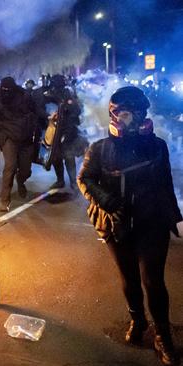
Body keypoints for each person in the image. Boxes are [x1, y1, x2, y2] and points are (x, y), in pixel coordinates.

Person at [78, 86, 182, 366]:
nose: (133, 119)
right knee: (129, 280)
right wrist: (107, 201)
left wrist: (176, 218)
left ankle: (163, 336)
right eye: (126, 112)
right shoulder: (99, 149)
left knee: (154, 281)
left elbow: (165, 184)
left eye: (138, 113)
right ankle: (138, 321)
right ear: (114, 115)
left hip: (152, 224)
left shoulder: (157, 145)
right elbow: (84, 179)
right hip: (117, 225)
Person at [0, 77, 39, 212]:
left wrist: (45, 119)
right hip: (8, 138)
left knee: (25, 170)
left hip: (25, 138)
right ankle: (5, 200)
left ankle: (21, 181)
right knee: (10, 166)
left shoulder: (25, 98)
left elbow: (36, 112)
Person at [43, 74, 86, 189]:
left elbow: (77, 110)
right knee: (56, 156)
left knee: (69, 155)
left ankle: (73, 182)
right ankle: (60, 180)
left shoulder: (69, 94)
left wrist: (67, 108)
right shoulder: (49, 94)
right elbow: (44, 108)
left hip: (68, 129)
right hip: (55, 129)